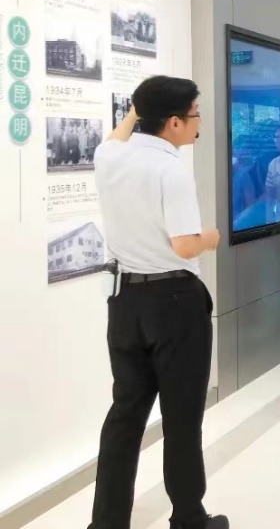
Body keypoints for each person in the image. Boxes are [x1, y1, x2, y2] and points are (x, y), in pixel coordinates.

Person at [90, 75, 228, 529]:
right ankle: (189, 519)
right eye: (195, 114)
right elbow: (185, 245)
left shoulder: (109, 156)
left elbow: (120, 132)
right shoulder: (171, 168)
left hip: (125, 301)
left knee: (125, 416)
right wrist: (212, 237)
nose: (199, 122)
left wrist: (139, 105)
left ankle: (106, 523)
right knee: (182, 419)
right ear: (173, 122)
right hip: (175, 304)